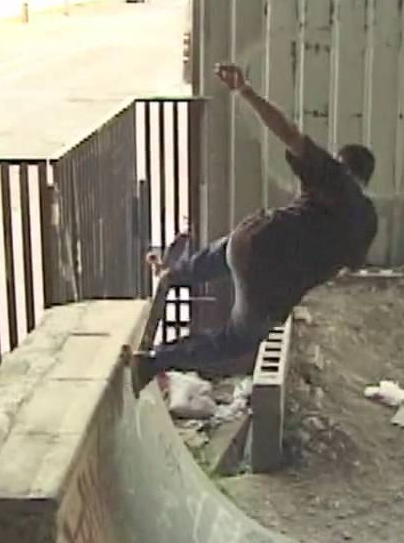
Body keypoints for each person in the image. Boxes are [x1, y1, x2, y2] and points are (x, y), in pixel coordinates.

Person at [135, 62, 378, 388]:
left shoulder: (332, 175)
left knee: (229, 247)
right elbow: (350, 266)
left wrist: (245, 90)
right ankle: (153, 362)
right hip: (270, 287)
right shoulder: (367, 221)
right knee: (232, 340)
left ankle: (175, 274)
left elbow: (288, 133)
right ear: (366, 180)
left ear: (341, 162)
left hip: (255, 238)